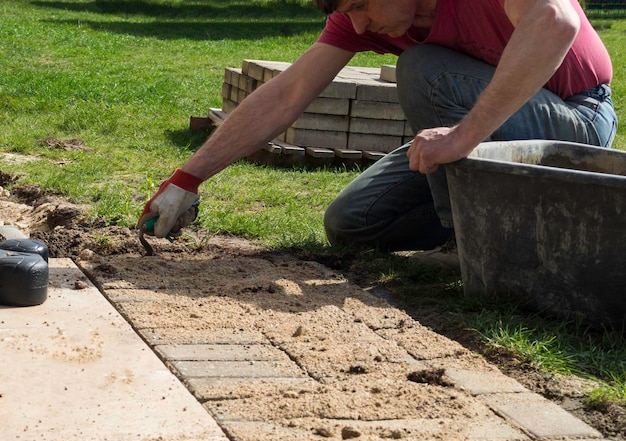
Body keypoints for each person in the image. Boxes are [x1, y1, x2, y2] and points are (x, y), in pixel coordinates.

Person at [138, 0, 617, 259]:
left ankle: (461, 246)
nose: (359, 22)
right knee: (353, 223)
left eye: (362, 4)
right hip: (484, 131)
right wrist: (188, 179)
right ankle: (507, 238)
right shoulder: (361, 19)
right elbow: (287, 95)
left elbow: (555, 21)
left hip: (575, 122)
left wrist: (460, 138)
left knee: (422, 67)